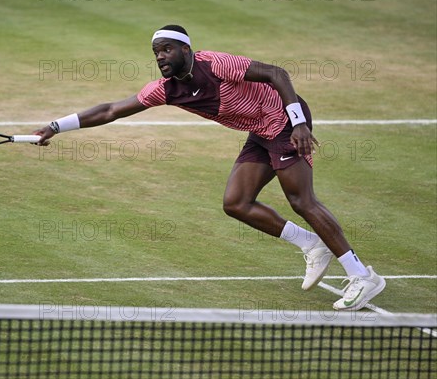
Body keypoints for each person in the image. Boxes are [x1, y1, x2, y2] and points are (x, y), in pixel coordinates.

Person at [33, 25, 386, 311]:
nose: (160, 57)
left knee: (301, 201)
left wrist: (298, 123)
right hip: (260, 131)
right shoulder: (167, 90)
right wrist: (56, 125)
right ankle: (312, 244)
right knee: (236, 202)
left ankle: (362, 275)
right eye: (156, 52)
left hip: (282, 119)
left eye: (167, 49)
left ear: (186, 49)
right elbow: (110, 110)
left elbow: (277, 74)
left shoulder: (215, 64)